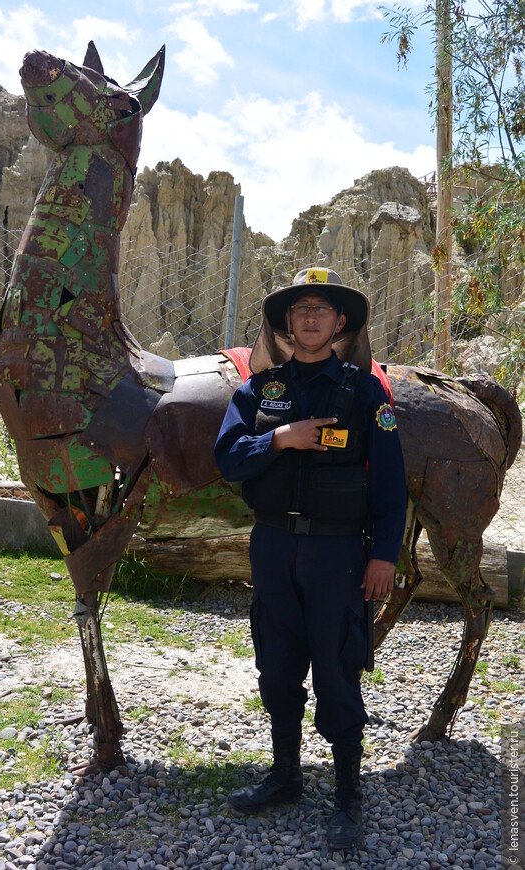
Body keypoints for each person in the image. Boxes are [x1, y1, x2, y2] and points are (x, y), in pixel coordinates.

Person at [214, 266, 407, 849]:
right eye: (300, 310)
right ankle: (286, 775)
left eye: (321, 309)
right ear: (286, 324)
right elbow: (227, 457)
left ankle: (348, 794)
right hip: (273, 546)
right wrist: (280, 438)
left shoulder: (365, 391)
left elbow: (391, 483)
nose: (311, 318)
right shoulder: (257, 391)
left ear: (339, 321)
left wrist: (385, 557)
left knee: (337, 667)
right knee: (276, 666)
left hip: (339, 554)